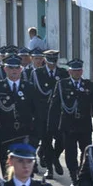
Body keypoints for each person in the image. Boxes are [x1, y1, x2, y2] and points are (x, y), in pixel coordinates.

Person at [51, 59, 93, 186]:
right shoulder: (62, 85)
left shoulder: (88, 85)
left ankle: (81, 174)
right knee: (70, 153)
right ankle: (74, 177)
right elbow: (55, 106)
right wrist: (52, 125)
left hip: (84, 124)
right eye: (74, 70)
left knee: (85, 151)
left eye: (79, 70)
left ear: (82, 71)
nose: (77, 73)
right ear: (69, 71)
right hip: (68, 126)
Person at [0, 55, 39, 169]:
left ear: (21, 69)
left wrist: (36, 137)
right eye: (11, 68)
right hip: (5, 134)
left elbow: (37, 112)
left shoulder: (29, 87)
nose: (14, 71)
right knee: (7, 170)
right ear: (5, 69)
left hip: (24, 134)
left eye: (16, 68)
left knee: (25, 170)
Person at [33, 50, 67, 178]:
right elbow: (36, 93)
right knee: (46, 141)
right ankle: (50, 169)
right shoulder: (37, 73)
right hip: (43, 113)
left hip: (58, 114)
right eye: (50, 62)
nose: (52, 65)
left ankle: (54, 158)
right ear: (45, 60)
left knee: (61, 141)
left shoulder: (63, 73)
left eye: (54, 62)